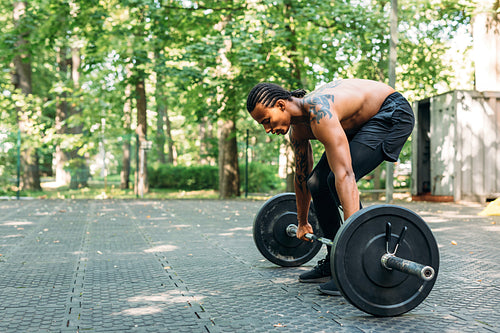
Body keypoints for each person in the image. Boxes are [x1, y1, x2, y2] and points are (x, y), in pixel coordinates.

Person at [246, 79, 415, 295]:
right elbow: (303, 177)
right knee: (317, 183)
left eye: (267, 121)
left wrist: (352, 247)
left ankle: (355, 263)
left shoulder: (319, 111)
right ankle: (335, 261)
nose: (267, 129)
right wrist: (302, 222)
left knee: (335, 182)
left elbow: (345, 175)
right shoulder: (298, 131)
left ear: (280, 105)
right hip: (361, 123)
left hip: (390, 112)